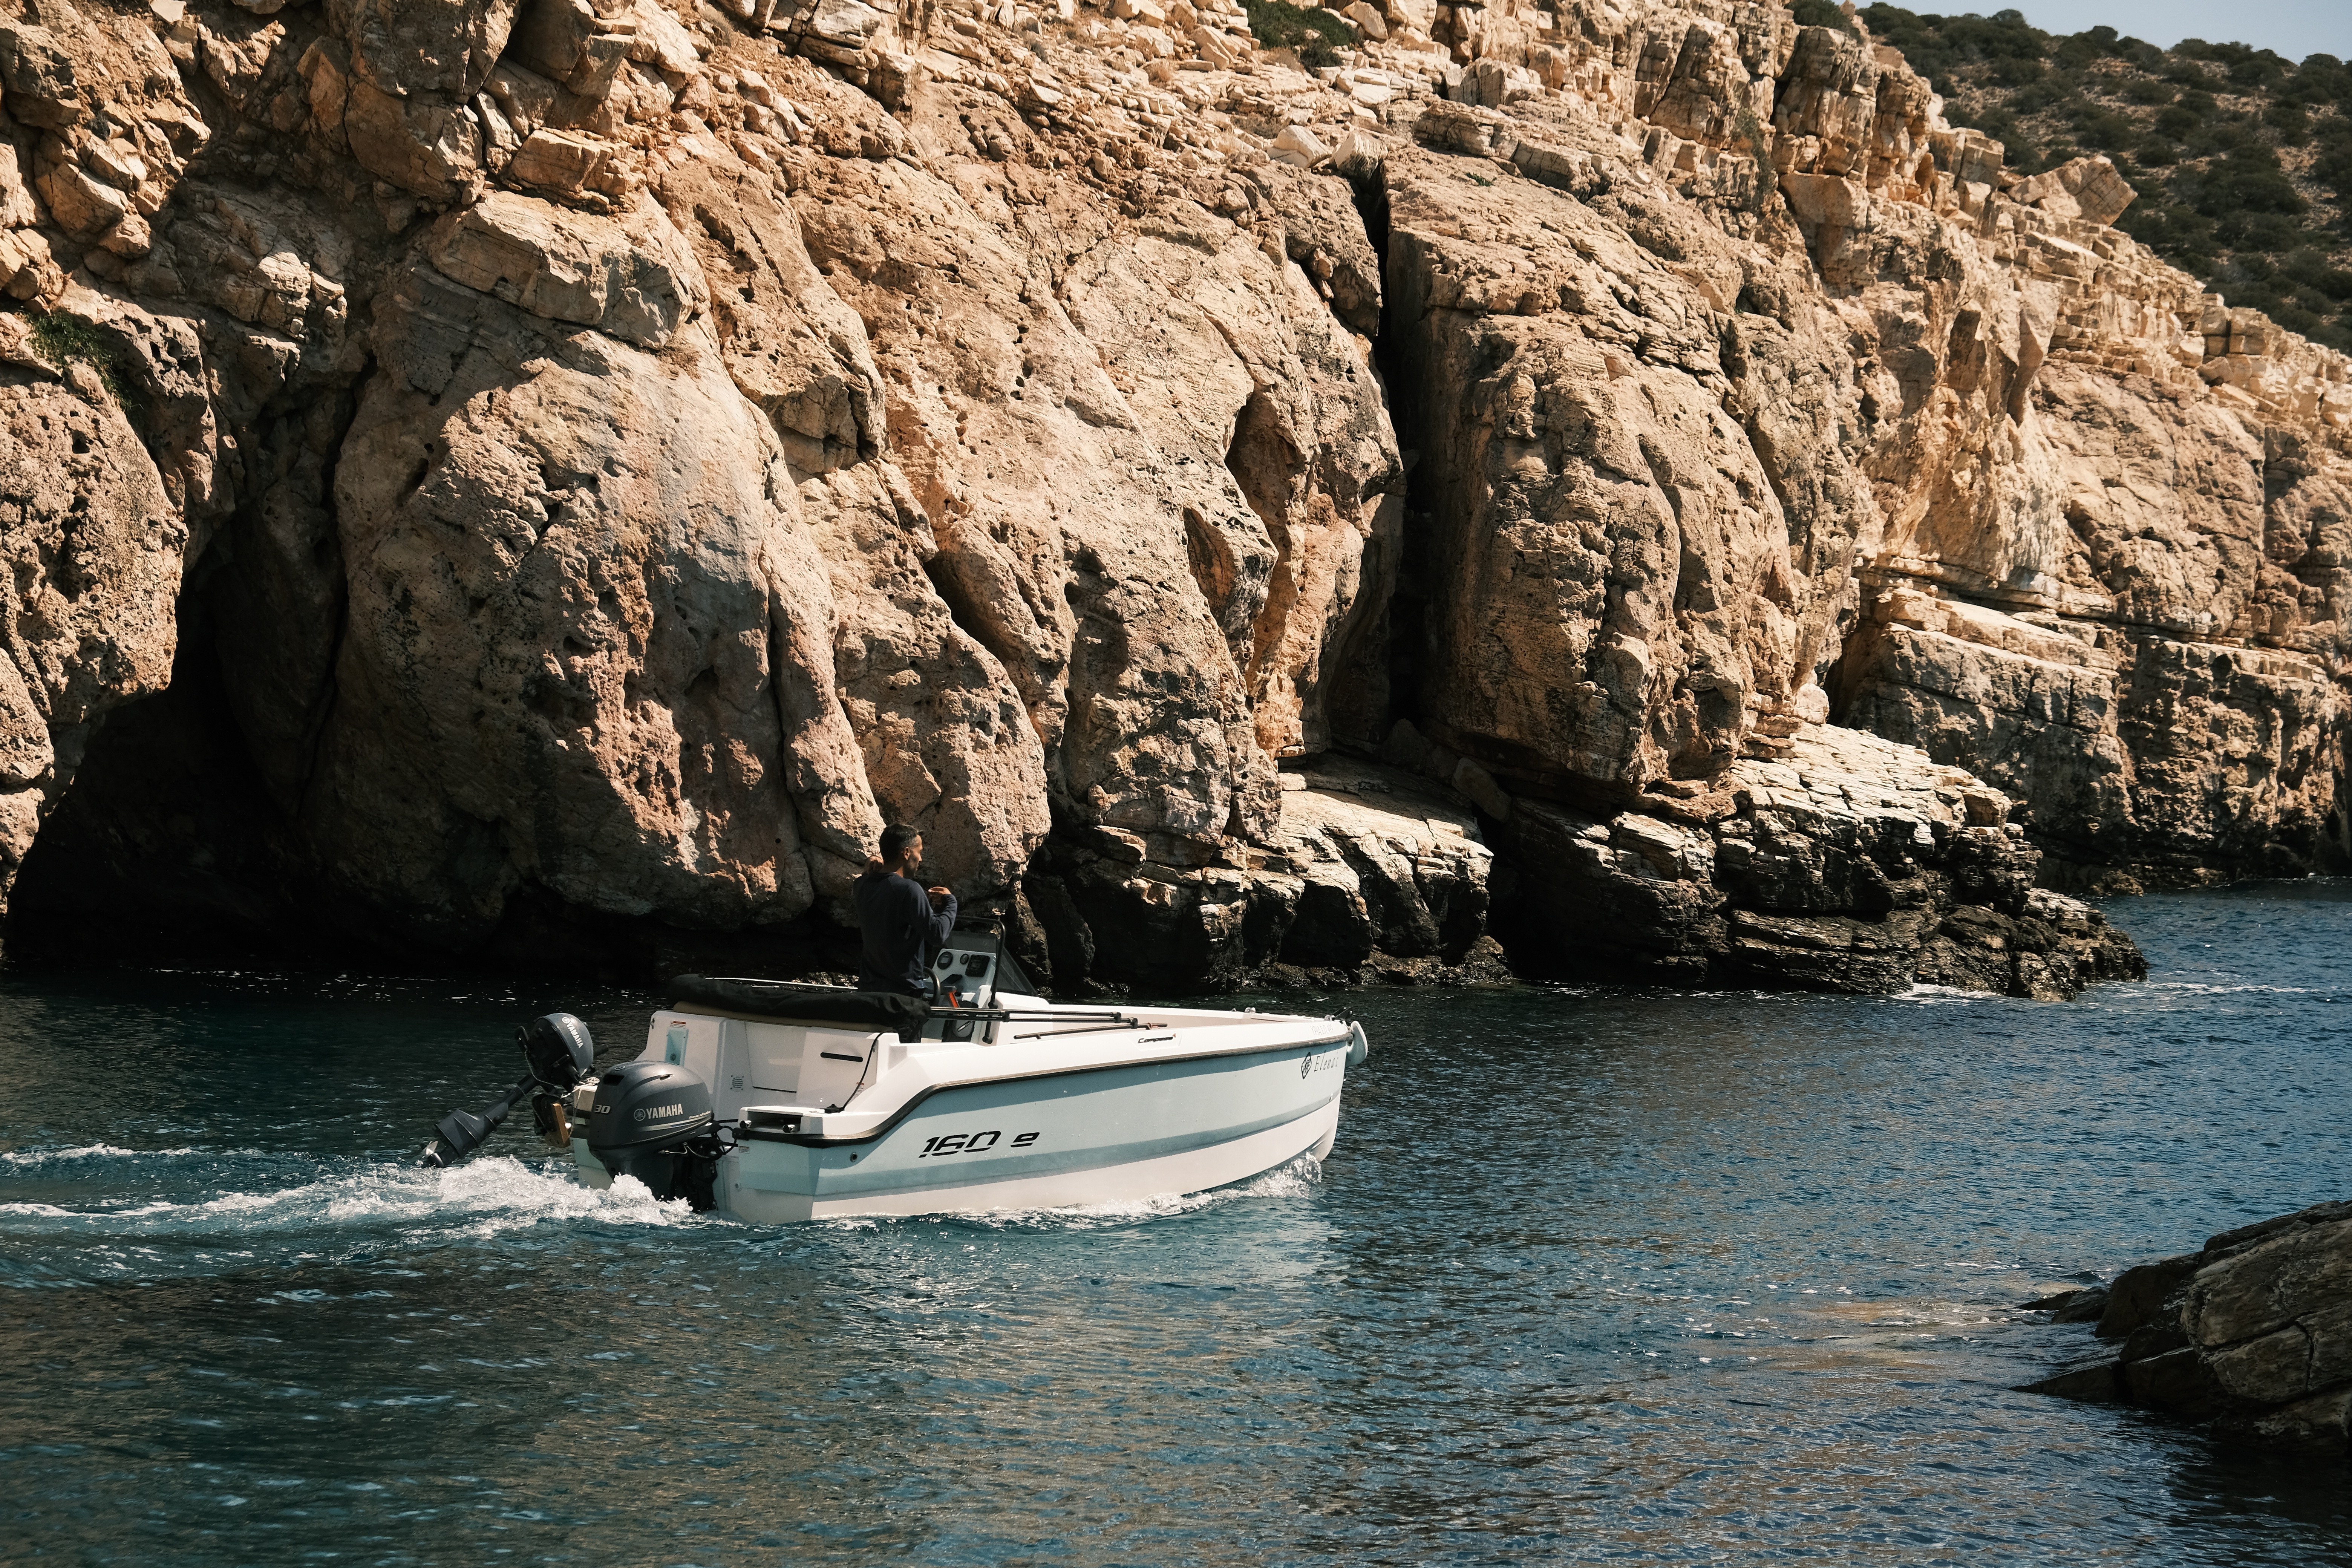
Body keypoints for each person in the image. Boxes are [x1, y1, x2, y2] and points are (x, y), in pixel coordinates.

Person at [854, 824, 957, 996]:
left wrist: (874, 861)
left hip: (868, 991)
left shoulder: (861, 885)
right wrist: (950, 902)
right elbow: (937, 934)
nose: (921, 859)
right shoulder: (909, 889)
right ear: (907, 853)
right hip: (902, 994)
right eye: (919, 852)